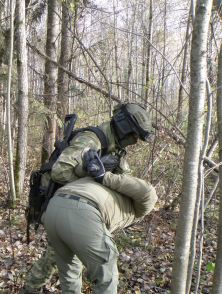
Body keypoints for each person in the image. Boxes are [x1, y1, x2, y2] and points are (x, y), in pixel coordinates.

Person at [20, 101, 156, 294]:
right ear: (124, 128)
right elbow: (60, 172)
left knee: (65, 259)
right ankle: (29, 289)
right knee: (56, 257)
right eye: (134, 135)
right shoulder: (91, 140)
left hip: (79, 208)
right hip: (59, 203)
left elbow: (122, 181)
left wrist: (102, 179)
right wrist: (92, 176)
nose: (135, 140)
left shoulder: (116, 148)